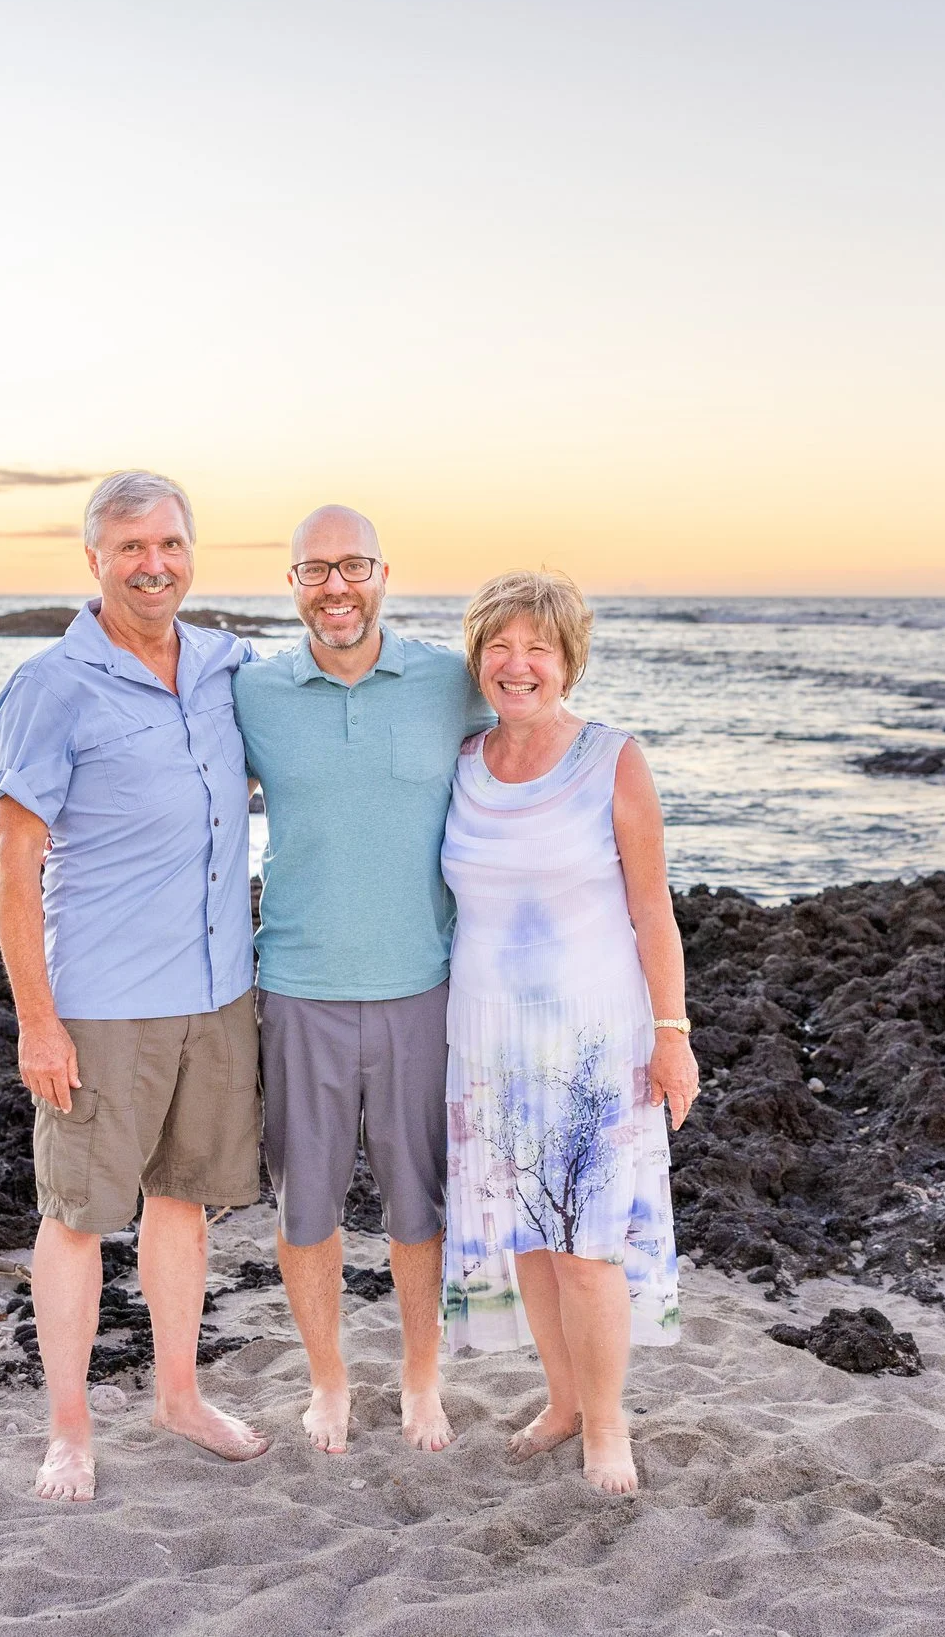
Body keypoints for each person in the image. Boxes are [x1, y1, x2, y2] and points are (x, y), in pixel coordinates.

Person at [0, 469, 270, 1503]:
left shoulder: (225, 665)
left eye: (170, 544)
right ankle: (68, 1428)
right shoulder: (52, 686)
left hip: (217, 988)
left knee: (184, 1201)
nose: (154, 565)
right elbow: (13, 862)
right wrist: (38, 1021)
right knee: (76, 1214)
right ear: (95, 560)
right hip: (104, 999)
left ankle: (180, 1395)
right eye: (131, 548)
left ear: (192, 550)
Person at [234, 505, 491, 1454]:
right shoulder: (252, 692)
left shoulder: (447, 682)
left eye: (352, 566)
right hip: (296, 986)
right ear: (291, 582)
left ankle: (423, 1381)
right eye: (315, 570)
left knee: (418, 1203)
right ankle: (329, 1381)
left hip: (423, 986)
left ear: (385, 572)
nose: (335, 586)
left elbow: (533, 731)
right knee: (308, 1207)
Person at [439, 569, 697, 1495]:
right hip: (488, 1041)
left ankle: (609, 1425)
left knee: (589, 1247)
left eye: (537, 649)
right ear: (478, 659)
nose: (517, 666)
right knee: (531, 1242)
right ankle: (563, 1400)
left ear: (567, 661)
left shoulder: (612, 759)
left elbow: (653, 910)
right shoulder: (462, 762)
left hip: (591, 1044)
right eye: (499, 647)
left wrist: (673, 1032)